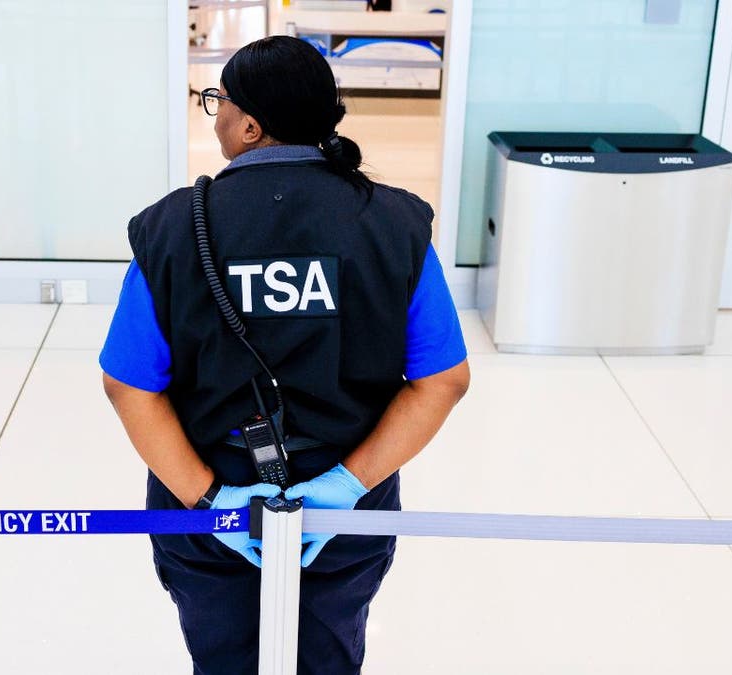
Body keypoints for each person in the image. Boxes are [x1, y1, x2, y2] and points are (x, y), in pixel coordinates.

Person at [100, 36, 470, 675]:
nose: (213, 115)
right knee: (328, 652)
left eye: (218, 102)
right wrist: (344, 488)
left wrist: (210, 498)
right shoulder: (394, 225)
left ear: (249, 125)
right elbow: (443, 380)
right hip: (346, 512)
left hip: (206, 505)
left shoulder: (171, 230)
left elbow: (130, 385)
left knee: (224, 656)